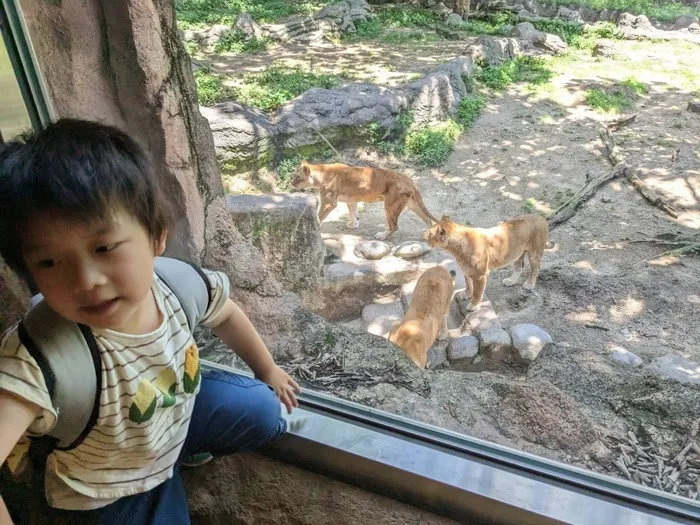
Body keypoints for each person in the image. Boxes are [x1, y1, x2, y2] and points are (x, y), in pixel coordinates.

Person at [0, 119, 301, 524]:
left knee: (262, 410)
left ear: (156, 237)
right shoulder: (37, 358)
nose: (86, 280)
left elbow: (226, 312)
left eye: (104, 247)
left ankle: (180, 456)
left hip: (171, 419)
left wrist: (268, 369)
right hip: (108, 488)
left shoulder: (177, 283)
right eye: (50, 262)